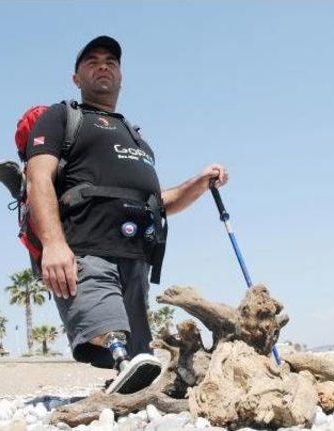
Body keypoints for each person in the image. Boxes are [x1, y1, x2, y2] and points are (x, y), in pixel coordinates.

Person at [25, 36, 228, 394]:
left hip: (136, 259)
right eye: (92, 61)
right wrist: (54, 244)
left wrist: (198, 183)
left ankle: (134, 379)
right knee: (108, 330)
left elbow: (157, 202)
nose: (103, 65)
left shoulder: (137, 137)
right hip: (84, 248)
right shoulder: (61, 117)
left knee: (141, 357)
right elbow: (38, 177)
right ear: (76, 78)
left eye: (111, 62)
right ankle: (119, 362)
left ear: (121, 76)